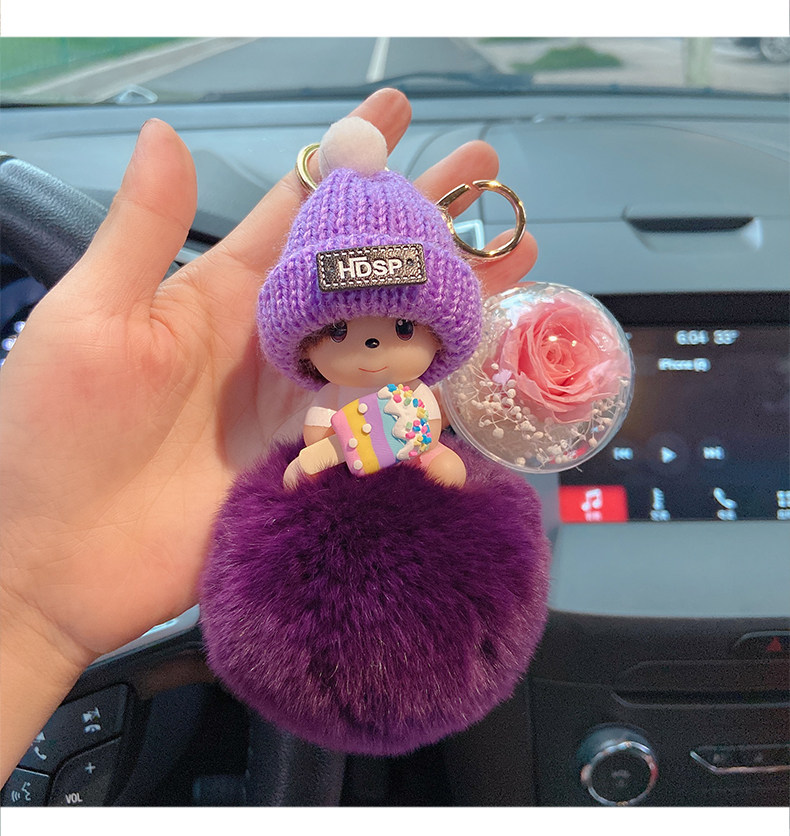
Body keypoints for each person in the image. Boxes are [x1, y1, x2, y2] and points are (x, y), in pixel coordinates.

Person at [0, 88, 538, 786]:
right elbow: (316, 446)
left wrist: (434, 461)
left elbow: (427, 445)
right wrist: (20, 595)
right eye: (340, 331)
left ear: (439, 334)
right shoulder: (332, 408)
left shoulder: (414, 405)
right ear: (307, 345)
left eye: (402, 328)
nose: (372, 349)